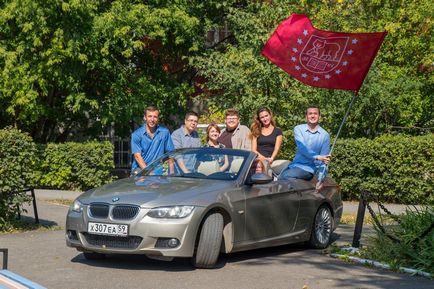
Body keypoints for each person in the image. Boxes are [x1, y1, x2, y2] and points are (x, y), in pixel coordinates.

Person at [279, 106, 331, 181]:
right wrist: (316, 156)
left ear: (319, 116)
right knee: (279, 178)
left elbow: (324, 161)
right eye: (310, 114)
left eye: (315, 114)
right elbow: (302, 147)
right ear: (306, 116)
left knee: (285, 176)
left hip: (309, 169)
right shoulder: (298, 129)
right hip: (295, 165)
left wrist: (320, 180)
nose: (312, 116)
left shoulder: (325, 135)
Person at [130, 106, 175, 173]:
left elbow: (170, 154)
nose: (152, 119)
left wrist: (172, 173)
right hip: (140, 169)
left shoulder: (164, 133)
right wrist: (149, 173)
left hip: (158, 169)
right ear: (145, 117)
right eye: (150, 116)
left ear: (158, 118)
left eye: (155, 117)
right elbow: (137, 157)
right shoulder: (136, 135)